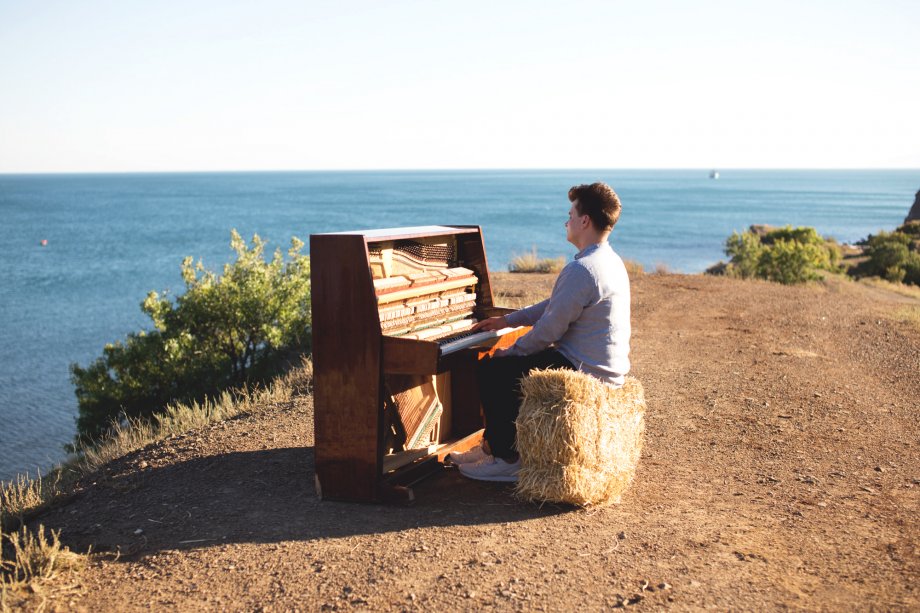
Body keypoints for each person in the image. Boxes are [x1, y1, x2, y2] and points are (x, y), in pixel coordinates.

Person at [451, 182, 632, 482]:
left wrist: (512, 350)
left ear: (584, 220)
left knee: (494, 370)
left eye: (571, 214)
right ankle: (490, 447)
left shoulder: (583, 269)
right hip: (602, 366)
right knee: (504, 365)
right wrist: (508, 321)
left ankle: (508, 459)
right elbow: (555, 304)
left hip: (585, 370)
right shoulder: (609, 261)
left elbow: (549, 329)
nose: (567, 221)